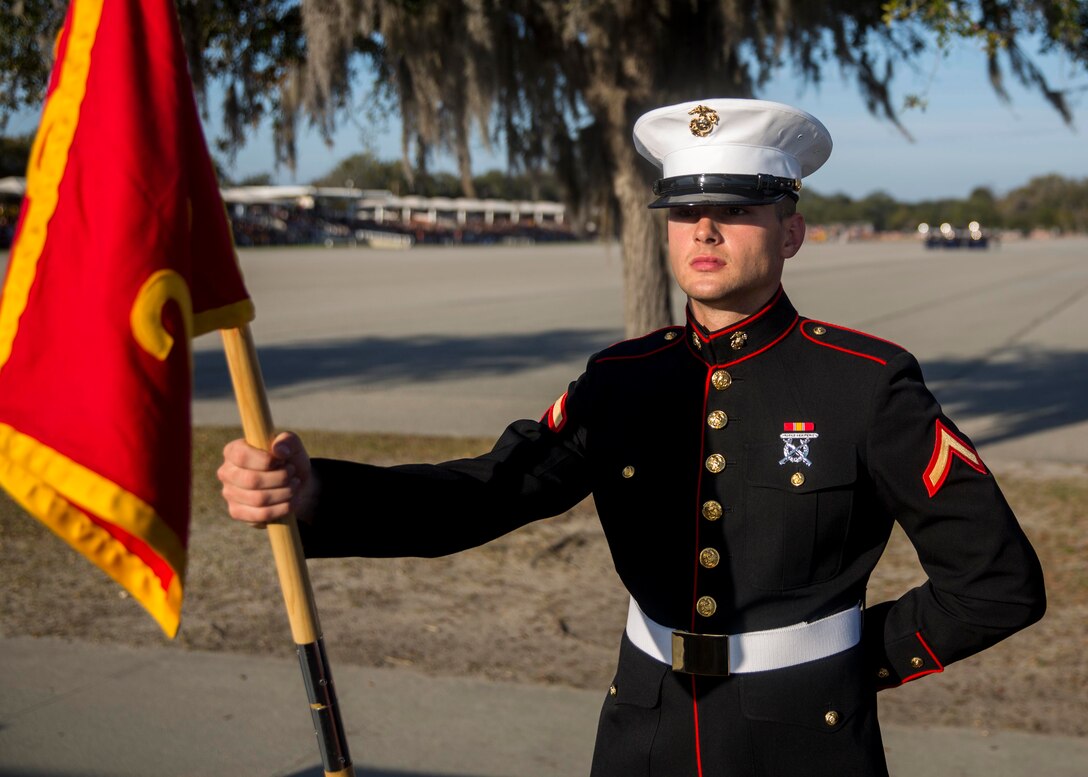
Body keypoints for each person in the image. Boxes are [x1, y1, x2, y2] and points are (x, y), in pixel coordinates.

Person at [218, 99, 1046, 776]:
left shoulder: (865, 383)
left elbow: (995, 582)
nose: (706, 231)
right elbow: (490, 491)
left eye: (736, 209)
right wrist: (318, 492)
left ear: (790, 231)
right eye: (685, 210)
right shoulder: (622, 379)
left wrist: (849, 663)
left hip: (803, 743)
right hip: (641, 729)